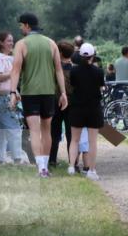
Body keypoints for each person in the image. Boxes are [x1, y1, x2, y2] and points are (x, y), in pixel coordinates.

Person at [8, 13, 67, 178]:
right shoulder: (51, 43)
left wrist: (13, 91)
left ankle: (40, 168)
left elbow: (16, 70)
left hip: (30, 92)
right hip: (49, 92)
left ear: (27, 25)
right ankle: (46, 167)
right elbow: (58, 70)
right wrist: (63, 93)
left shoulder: (21, 44)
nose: (20, 28)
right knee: (46, 130)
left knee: (34, 131)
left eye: (21, 25)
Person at [0, 31, 28, 165]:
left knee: (2, 129)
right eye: (9, 41)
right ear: (1, 43)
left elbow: (9, 81)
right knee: (14, 126)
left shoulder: (6, 57)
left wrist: (15, 92)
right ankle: (18, 158)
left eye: (12, 40)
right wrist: (13, 72)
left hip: (2, 96)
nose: (12, 43)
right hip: (0, 97)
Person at [67, 43, 105, 180]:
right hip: (93, 107)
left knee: (74, 139)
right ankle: (91, 170)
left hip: (77, 107)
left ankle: (71, 166)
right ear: (93, 56)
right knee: (92, 141)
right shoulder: (98, 71)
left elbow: (73, 85)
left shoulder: (74, 71)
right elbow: (101, 86)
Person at [50, 40, 75, 168]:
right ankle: (73, 161)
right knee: (71, 134)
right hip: (72, 104)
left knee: (54, 132)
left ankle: (52, 160)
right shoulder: (75, 69)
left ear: (59, 52)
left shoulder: (53, 68)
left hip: (55, 102)